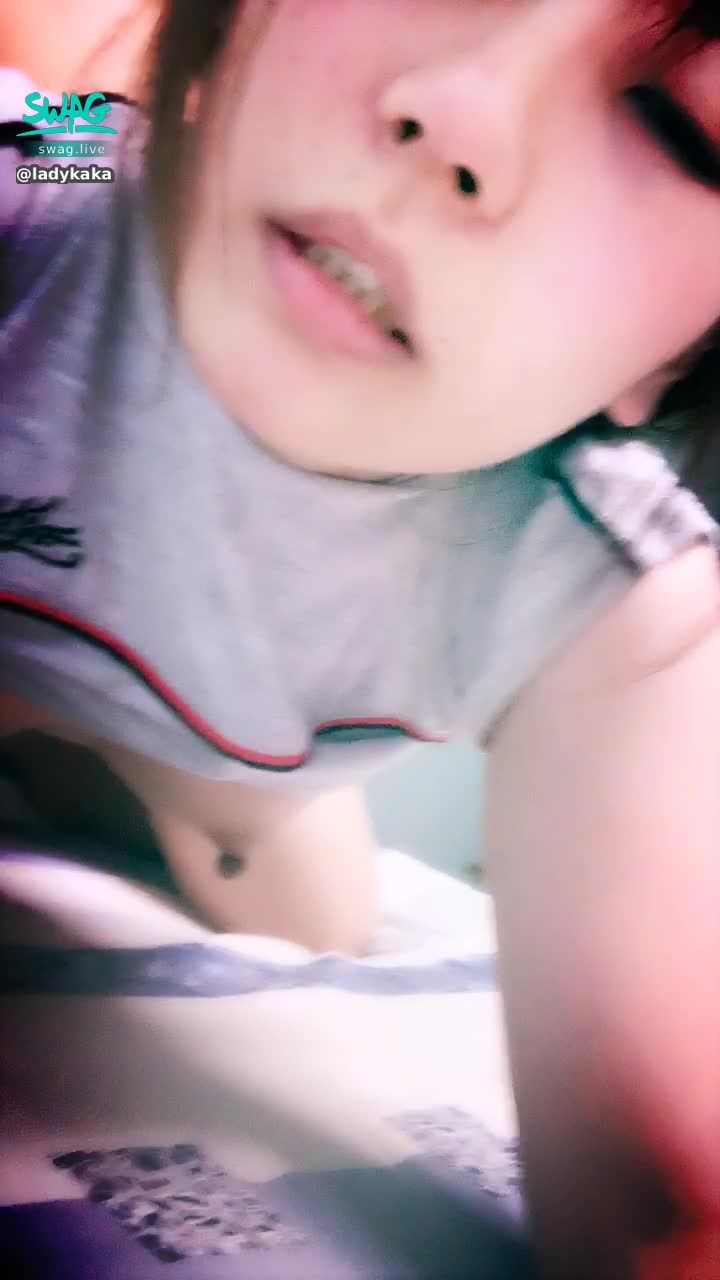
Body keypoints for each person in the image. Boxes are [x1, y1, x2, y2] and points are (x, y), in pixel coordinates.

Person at [1, 1, 720, 1273]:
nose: (458, 112)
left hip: (215, 760)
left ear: (682, 357)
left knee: (313, 910)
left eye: (682, 125)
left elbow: (658, 1205)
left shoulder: (610, 583)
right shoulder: (53, 184)